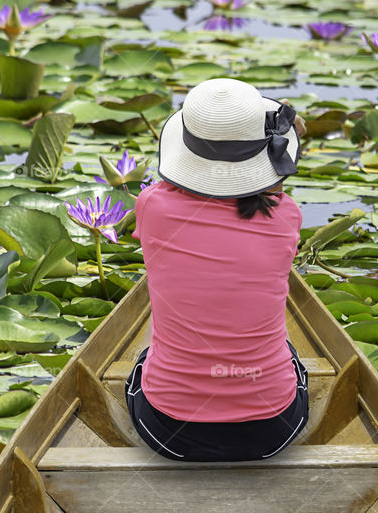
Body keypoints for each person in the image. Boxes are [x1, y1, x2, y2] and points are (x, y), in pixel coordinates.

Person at [126, 77, 308, 462]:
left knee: (144, 358)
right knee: (290, 354)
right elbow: (269, 196)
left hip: (169, 431)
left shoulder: (150, 208)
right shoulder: (288, 215)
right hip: (272, 430)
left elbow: (169, 188)